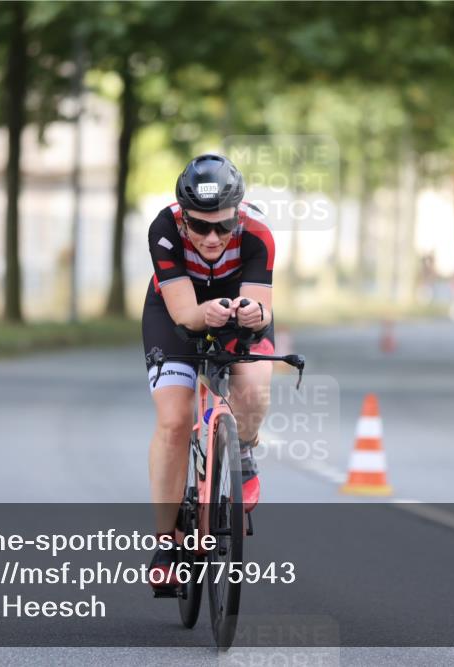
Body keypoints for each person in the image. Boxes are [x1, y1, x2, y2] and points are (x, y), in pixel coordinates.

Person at [142, 154, 275, 589]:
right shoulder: (164, 229)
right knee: (174, 420)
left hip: (237, 309)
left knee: (252, 391)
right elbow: (185, 314)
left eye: (224, 225)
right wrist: (205, 313)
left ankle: (244, 451)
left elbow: (262, 306)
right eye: (200, 227)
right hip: (176, 312)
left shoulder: (258, 232)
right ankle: (166, 541)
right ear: (184, 219)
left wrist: (253, 314)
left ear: (239, 214)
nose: (213, 237)